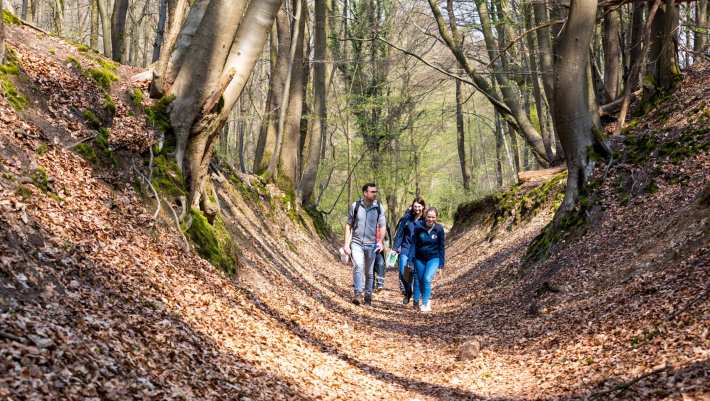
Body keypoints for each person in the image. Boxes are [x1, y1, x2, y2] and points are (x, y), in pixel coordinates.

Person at [343, 183, 386, 306]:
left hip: (371, 244)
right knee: (358, 266)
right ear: (365, 193)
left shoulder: (379, 207)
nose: (374, 194)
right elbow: (348, 225)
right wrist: (346, 244)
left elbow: (382, 226)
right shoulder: (355, 206)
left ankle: (368, 295)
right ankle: (358, 293)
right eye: (372, 191)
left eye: (375, 191)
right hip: (356, 243)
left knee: (369, 272)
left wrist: (380, 242)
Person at [408, 207, 445, 312]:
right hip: (420, 259)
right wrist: (410, 260)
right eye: (429, 217)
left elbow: (441, 247)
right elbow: (413, 245)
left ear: (436, 218)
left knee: (427, 279)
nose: (430, 219)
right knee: (420, 281)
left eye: (433, 217)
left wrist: (441, 265)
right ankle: (424, 299)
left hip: (434, 258)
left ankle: (425, 303)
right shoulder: (418, 228)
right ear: (425, 216)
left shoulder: (439, 229)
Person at [392, 197, 426, 304]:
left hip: (418, 250)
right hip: (405, 248)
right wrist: (395, 248)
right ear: (412, 206)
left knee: (414, 273)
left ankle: (414, 297)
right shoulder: (407, 218)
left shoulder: (425, 220)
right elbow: (400, 233)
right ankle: (408, 291)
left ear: (423, 207)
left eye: (419, 206)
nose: (417, 208)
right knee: (403, 272)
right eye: (415, 206)